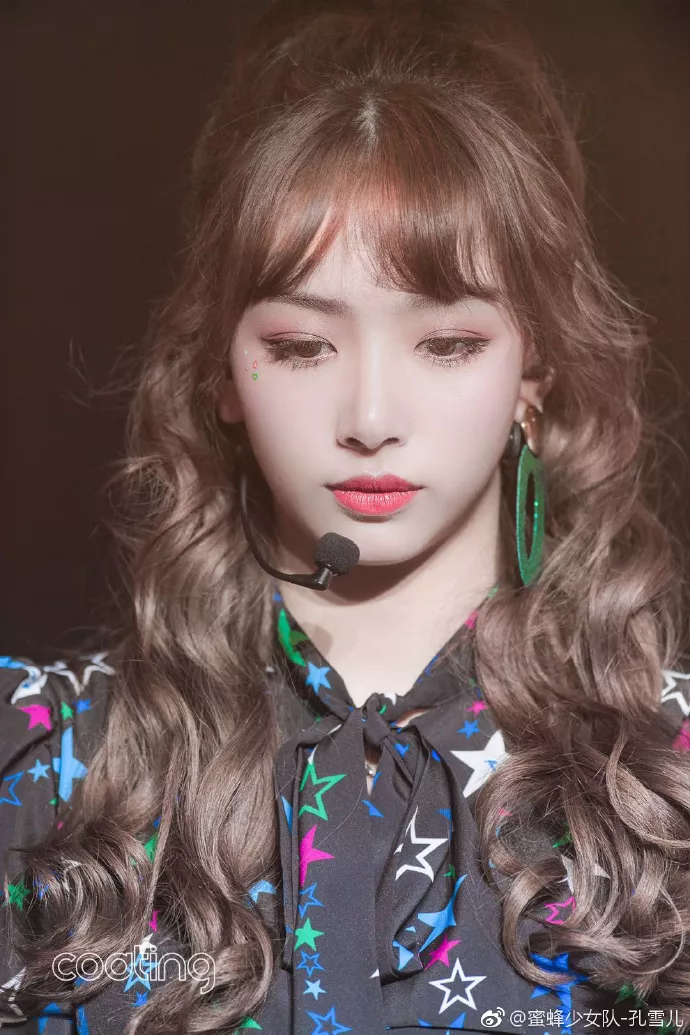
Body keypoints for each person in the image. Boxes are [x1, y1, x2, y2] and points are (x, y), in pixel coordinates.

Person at [2, 0, 690, 1032]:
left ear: (533, 371)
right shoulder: (42, 767)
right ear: (222, 371)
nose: (370, 419)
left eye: (447, 343)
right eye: (301, 346)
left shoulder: (669, 781)